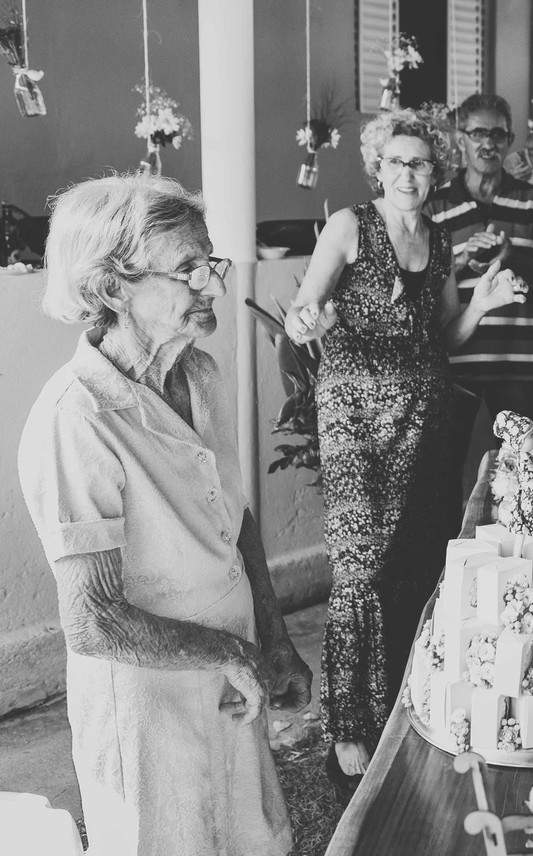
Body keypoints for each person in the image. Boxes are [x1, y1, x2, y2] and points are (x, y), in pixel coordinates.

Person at [19, 174, 311, 855]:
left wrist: (273, 637)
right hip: (146, 706)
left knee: (249, 837)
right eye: (187, 269)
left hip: (228, 676)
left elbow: (236, 523)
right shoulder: (77, 419)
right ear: (111, 286)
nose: (211, 284)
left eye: (210, 262)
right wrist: (232, 653)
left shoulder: (200, 374)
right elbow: (93, 622)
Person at [284, 108, 528, 786]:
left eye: (420, 163)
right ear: (377, 167)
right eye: (395, 162)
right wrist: (314, 319)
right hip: (355, 415)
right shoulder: (350, 228)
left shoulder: (442, 241)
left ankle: (399, 698)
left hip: (424, 414)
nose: (408, 174)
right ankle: (347, 725)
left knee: (413, 564)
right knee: (358, 564)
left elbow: (444, 335)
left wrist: (482, 301)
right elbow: (305, 310)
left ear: (436, 171)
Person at [424, 94, 533, 514]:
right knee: (447, 474)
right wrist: (461, 259)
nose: (488, 143)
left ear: (511, 140)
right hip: (457, 361)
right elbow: (422, 285)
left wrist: (510, 258)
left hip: (519, 363)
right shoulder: (435, 205)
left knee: (528, 471)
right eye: (477, 133)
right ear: (459, 138)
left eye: (497, 134)